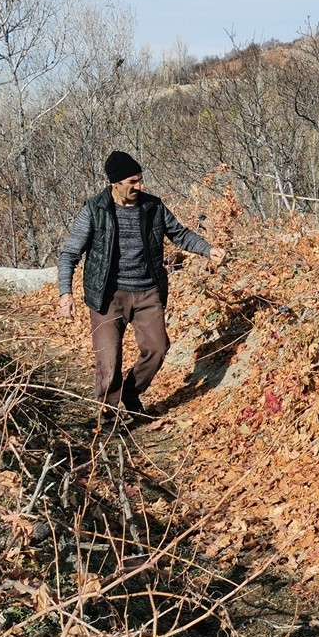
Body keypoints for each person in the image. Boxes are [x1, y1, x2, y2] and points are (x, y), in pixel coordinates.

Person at [57, 151, 226, 429]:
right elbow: (69, 254)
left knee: (158, 348)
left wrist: (207, 249)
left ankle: (131, 392)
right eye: (132, 181)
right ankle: (109, 416)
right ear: (115, 183)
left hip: (147, 291)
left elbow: (180, 234)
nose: (139, 186)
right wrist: (66, 293)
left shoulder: (153, 207)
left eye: (140, 180)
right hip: (108, 296)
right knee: (108, 360)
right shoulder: (95, 210)